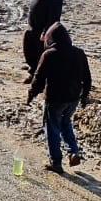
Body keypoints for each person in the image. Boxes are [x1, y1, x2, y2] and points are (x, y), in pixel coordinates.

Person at [27, 22, 92, 174]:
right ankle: (73, 151)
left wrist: (31, 95)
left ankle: (56, 162)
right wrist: (85, 96)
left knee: (52, 128)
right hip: (73, 98)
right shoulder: (79, 53)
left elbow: (38, 78)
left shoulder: (49, 54)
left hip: (55, 99)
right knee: (65, 123)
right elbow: (87, 77)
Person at [22, 0, 64, 84]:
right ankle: (32, 69)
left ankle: (39, 78)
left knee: (41, 54)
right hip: (33, 25)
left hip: (42, 29)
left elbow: (55, 14)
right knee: (29, 49)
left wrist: (47, 32)